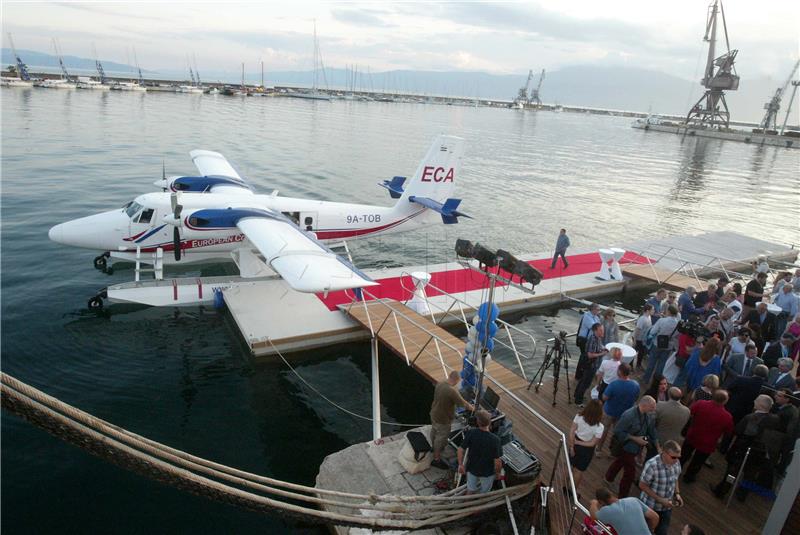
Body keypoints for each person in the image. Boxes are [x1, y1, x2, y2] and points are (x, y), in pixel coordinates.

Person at [712, 395, 780, 500]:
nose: (754, 401)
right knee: (750, 476)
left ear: (760, 405)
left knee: (732, 473)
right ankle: (742, 495)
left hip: (742, 450)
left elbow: (738, 431)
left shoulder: (751, 418)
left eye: (756, 400)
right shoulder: (775, 419)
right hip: (759, 453)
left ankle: (721, 491)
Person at [604, 396, 658, 498]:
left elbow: (651, 430)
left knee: (620, 462)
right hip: (626, 447)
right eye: (652, 407)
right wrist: (635, 439)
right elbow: (618, 431)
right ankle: (623, 496)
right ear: (644, 405)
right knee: (630, 474)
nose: (654, 409)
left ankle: (608, 478)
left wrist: (657, 444)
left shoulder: (648, 415)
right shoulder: (629, 415)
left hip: (634, 449)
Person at [681, 390, 734, 483]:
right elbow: (729, 431)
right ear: (725, 401)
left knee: (684, 455)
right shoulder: (727, 416)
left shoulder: (701, 403)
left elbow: (690, 412)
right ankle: (689, 477)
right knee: (698, 462)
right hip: (708, 443)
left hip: (693, 435)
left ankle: (675, 470)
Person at [429, 370, 474, 469]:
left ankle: (433, 447)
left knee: (434, 430)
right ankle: (436, 459)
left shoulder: (440, 383)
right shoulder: (451, 391)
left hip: (434, 413)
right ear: (457, 380)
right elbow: (463, 404)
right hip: (443, 418)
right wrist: (474, 409)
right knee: (441, 438)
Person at [639, 440, 683, 535]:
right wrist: (660, 500)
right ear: (664, 453)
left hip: (667, 508)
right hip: (650, 506)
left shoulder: (676, 462)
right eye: (673, 457)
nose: (676, 460)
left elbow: (676, 478)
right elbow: (642, 485)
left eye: (678, 457)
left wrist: (677, 494)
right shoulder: (652, 465)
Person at [596, 363, 640, 454]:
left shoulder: (614, 384)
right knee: (618, 433)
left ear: (619, 372)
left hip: (610, 411)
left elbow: (604, 397)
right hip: (625, 414)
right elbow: (636, 398)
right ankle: (613, 451)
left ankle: (598, 449)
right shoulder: (635, 385)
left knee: (604, 430)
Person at [457, 410, 502, 494]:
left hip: (472, 469)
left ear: (477, 422)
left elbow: (460, 449)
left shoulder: (471, 433)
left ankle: (467, 504)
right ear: (489, 422)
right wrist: (498, 473)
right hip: (487, 473)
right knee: (484, 492)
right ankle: (480, 503)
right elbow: (497, 462)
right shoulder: (496, 440)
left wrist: (460, 465)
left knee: (470, 489)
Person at [568, 399, 604, 492]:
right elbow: (592, 443)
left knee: (570, 466)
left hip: (575, 443)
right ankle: (572, 491)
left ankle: (565, 486)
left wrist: (572, 446)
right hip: (587, 450)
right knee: (579, 471)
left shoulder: (579, 416)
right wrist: (579, 443)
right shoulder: (599, 427)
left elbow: (572, 431)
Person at [590, 487, 659, 535]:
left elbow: (593, 516)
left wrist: (594, 503)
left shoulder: (607, 511)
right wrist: (649, 530)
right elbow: (655, 517)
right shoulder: (633, 500)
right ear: (611, 494)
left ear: (601, 502)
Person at [644, 305, 680, 383]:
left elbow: (653, 331)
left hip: (657, 343)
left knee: (652, 362)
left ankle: (646, 379)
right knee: (661, 365)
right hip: (669, 346)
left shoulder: (662, 320)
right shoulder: (678, 324)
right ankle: (656, 382)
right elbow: (677, 336)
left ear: (669, 312)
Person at [574, 322, 608, 406]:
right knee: (585, 383)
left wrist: (604, 348)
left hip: (593, 365)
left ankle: (576, 395)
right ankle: (578, 401)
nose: (602, 332)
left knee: (583, 380)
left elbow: (599, 346)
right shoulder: (592, 339)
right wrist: (602, 354)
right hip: (590, 365)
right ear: (595, 330)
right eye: (601, 330)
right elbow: (590, 355)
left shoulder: (598, 338)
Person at [576, 303, 602, 379]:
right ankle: (579, 375)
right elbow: (595, 328)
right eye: (598, 309)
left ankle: (584, 373)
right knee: (584, 357)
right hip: (584, 340)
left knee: (586, 357)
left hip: (590, 340)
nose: (599, 311)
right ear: (593, 309)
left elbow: (599, 326)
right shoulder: (587, 316)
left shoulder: (596, 317)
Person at [634, 304, 654, 369]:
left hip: (643, 339)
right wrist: (635, 340)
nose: (654, 311)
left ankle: (638, 365)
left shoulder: (649, 317)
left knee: (641, 353)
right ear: (648, 311)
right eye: (652, 309)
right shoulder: (642, 319)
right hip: (638, 339)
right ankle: (631, 365)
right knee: (635, 352)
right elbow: (637, 329)